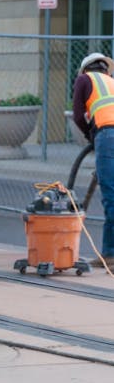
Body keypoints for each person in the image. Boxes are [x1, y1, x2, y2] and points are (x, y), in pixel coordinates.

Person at [72, 52, 114, 269]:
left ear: (86, 69)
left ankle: (111, 255)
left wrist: (91, 135)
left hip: (107, 136)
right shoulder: (111, 82)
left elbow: (79, 116)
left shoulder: (83, 80)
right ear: (105, 69)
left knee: (111, 195)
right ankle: (108, 253)